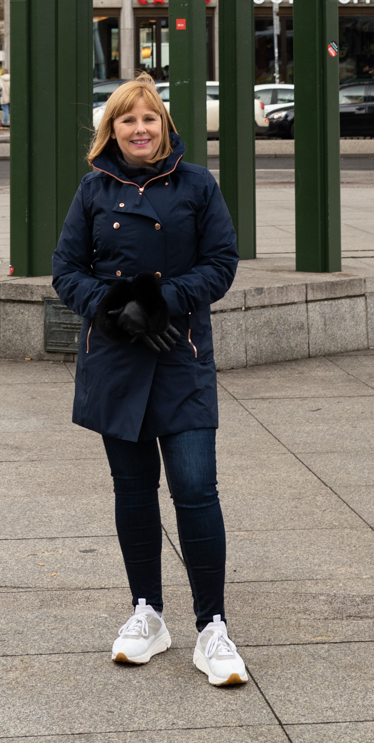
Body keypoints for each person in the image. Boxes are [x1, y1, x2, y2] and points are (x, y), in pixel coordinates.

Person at [52, 75, 247, 687]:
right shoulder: (92, 189)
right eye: (127, 121)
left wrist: (162, 302)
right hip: (114, 361)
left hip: (180, 355)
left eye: (150, 120)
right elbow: (66, 269)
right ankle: (148, 614)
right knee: (133, 495)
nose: (140, 130)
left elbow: (221, 262)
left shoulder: (197, 184)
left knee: (195, 490)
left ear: (165, 127)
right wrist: (111, 309)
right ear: (111, 131)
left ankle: (212, 626)